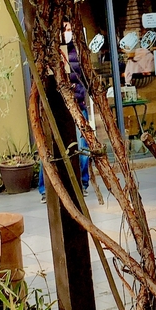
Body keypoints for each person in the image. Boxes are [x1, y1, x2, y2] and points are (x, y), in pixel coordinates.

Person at [39, 22, 92, 200]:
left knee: (82, 146)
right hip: (57, 107)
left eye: (70, 30)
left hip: (77, 105)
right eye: (64, 30)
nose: (67, 33)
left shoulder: (76, 53)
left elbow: (84, 77)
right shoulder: (50, 54)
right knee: (49, 147)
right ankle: (45, 188)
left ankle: (82, 183)